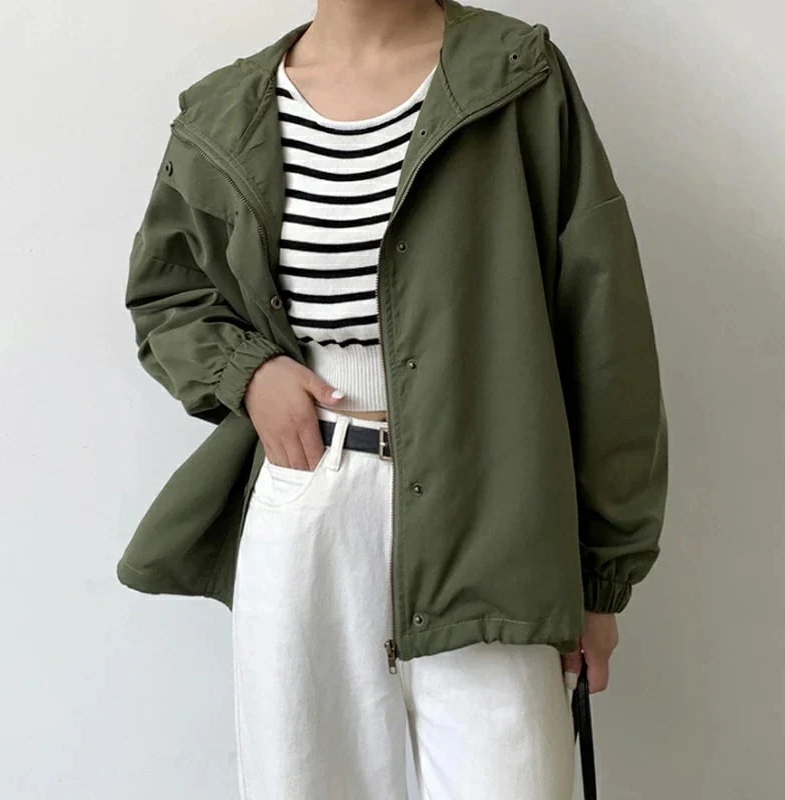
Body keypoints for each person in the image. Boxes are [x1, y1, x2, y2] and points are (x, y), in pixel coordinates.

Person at [118, 1, 668, 798]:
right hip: (307, 504)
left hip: (496, 515)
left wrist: (600, 576)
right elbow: (168, 295)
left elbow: (604, 326)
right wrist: (249, 372)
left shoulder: (514, 74)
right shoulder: (225, 111)